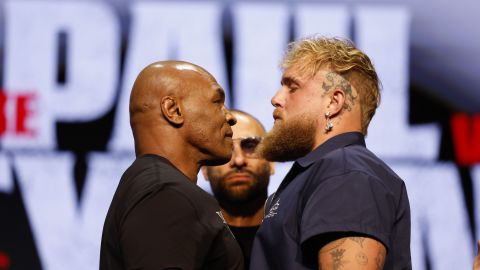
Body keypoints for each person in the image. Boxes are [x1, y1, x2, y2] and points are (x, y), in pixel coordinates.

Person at [250, 37, 411, 270]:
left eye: (292, 87)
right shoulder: (321, 172)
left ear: (333, 102)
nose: (276, 99)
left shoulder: (346, 174)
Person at [99, 60, 244, 270]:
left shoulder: (153, 187)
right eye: (217, 102)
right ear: (173, 110)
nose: (230, 117)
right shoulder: (165, 194)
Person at [203, 110, 274, 269]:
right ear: (204, 170)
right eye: (224, 148)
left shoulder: (296, 236)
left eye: (250, 146)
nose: (239, 160)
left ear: (272, 162)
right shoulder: (187, 242)